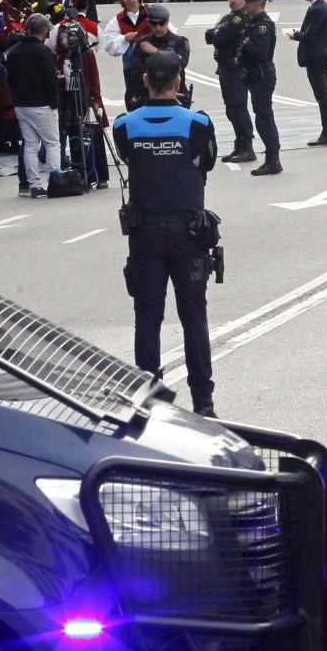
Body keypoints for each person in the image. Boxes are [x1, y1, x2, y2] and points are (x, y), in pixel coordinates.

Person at [112, 51, 219, 417]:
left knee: (147, 317)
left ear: (145, 81)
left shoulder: (125, 125)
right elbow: (206, 162)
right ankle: (203, 401)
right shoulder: (198, 124)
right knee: (194, 317)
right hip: (187, 231)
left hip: (145, 233)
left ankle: (150, 400)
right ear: (179, 82)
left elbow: (128, 158)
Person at [6, 15, 61, 197]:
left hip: (21, 103)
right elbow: (49, 79)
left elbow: (11, 78)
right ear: (44, 31)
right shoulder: (43, 51)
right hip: (42, 103)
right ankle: (55, 181)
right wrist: (54, 101)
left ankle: (34, 184)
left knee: (30, 145)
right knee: (52, 143)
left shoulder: (13, 51)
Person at [207, 0, 257, 163]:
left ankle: (247, 146)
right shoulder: (228, 17)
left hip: (236, 68)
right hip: (225, 67)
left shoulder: (239, 18)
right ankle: (239, 143)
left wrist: (216, 32)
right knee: (230, 109)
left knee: (238, 107)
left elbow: (219, 38)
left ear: (245, 0)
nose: (233, 0)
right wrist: (216, 32)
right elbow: (209, 36)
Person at [238, 0, 283, 176]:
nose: (245, 5)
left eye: (247, 1)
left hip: (262, 75)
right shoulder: (253, 22)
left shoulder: (262, 25)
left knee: (264, 117)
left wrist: (243, 42)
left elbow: (260, 52)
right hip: (256, 74)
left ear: (256, 3)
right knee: (262, 116)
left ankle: (273, 159)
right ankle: (272, 158)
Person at [288, 0, 327, 146]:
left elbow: (310, 35)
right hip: (321, 54)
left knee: (323, 96)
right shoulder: (322, 7)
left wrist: (295, 35)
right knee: (324, 96)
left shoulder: (317, 9)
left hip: (316, 56)